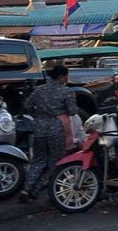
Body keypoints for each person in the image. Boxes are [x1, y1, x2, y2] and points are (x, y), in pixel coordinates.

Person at [20, 64, 78, 202]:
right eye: (66, 76)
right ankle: (37, 189)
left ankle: (26, 189)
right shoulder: (67, 92)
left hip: (39, 127)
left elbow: (27, 105)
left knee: (38, 160)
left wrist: (38, 115)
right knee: (56, 161)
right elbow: (73, 111)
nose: (66, 79)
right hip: (56, 128)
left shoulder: (38, 90)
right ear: (61, 76)